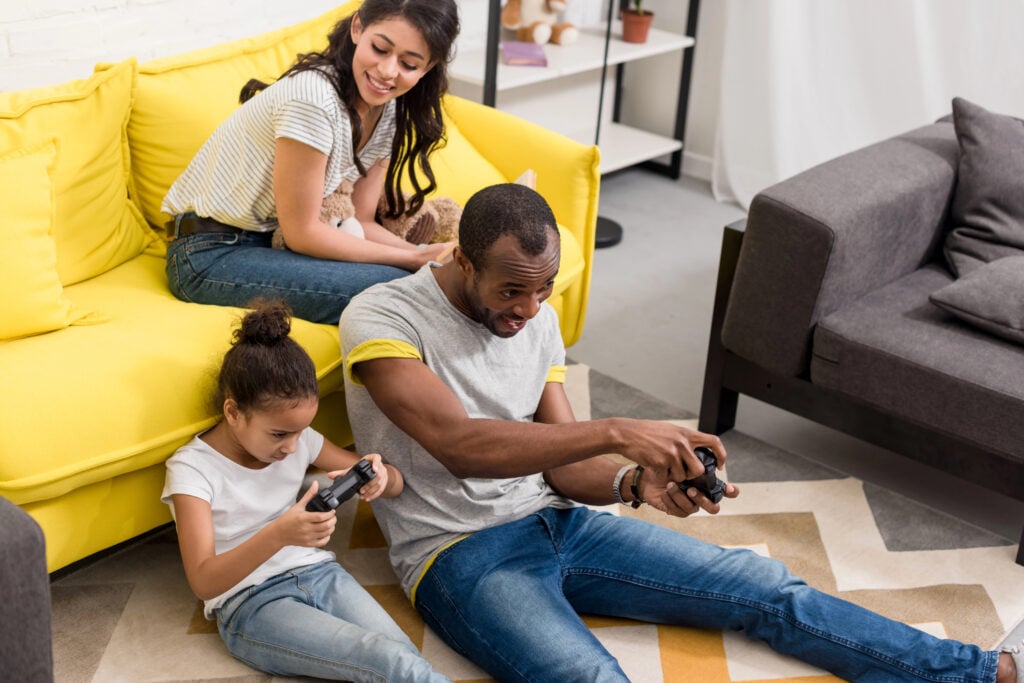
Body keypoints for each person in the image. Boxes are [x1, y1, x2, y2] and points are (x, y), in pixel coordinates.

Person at [338, 183, 1023, 683]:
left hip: (558, 520)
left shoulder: (537, 318)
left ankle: (978, 672)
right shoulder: (383, 318)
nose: (530, 308)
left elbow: (562, 466)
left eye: (543, 289)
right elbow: (462, 445)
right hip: (458, 553)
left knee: (767, 589)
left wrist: (633, 480)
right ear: (462, 260)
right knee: (590, 676)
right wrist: (618, 429)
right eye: (511, 291)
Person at [162, 299, 449, 682]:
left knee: (403, 658)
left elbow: (392, 482)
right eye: (280, 434)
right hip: (250, 603)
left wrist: (382, 476)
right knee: (388, 662)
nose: (294, 447)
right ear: (232, 412)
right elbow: (203, 580)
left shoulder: (300, 440)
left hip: (321, 575)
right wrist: (281, 533)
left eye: (301, 431)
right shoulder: (192, 470)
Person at [162, 0, 460, 325]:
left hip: (270, 244)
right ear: (358, 28)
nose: (388, 71)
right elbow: (302, 232)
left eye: (409, 64)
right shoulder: (312, 101)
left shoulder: (388, 111)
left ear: (428, 68)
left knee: (431, 279)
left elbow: (363, 222)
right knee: (405, 292)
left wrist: (435, 256)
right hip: (207, 253)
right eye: (380, 48)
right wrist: (410, 257)